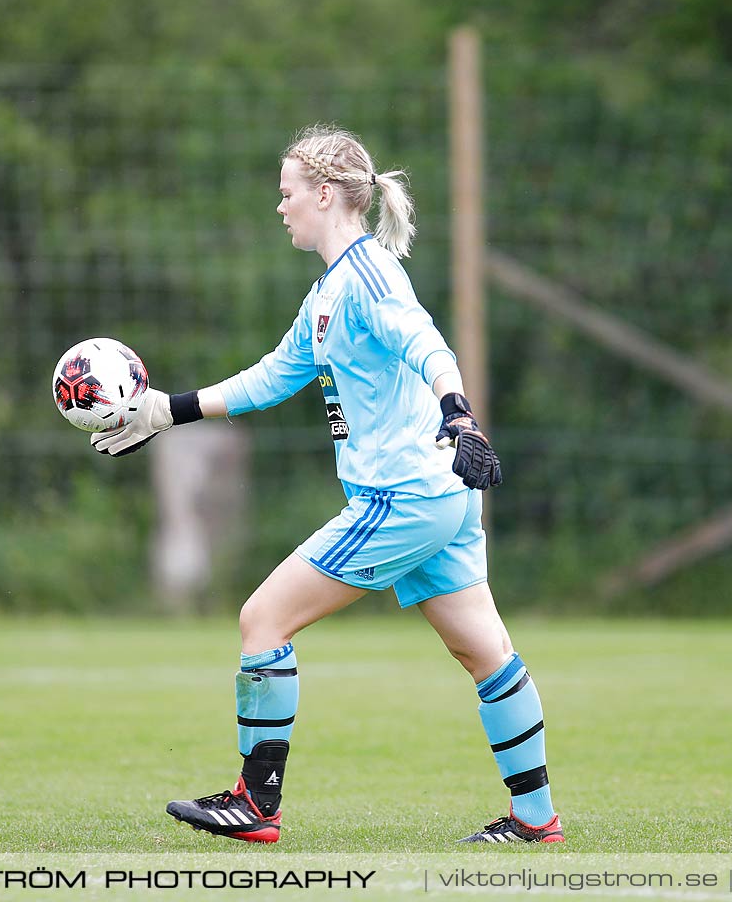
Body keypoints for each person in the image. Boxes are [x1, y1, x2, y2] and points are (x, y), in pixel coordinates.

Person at [89, 124, 562, 846]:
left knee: (261, 621)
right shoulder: (330, 292)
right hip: (440, 498)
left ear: (325, 193)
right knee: (484, 652)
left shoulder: (368, 279)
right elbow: (273, 377)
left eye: (287, 195)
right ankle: (536, 820)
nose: (280, 208)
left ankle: (255, 803)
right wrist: (164, 410)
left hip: (402, 497)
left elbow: (425, 341)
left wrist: (459, 412)